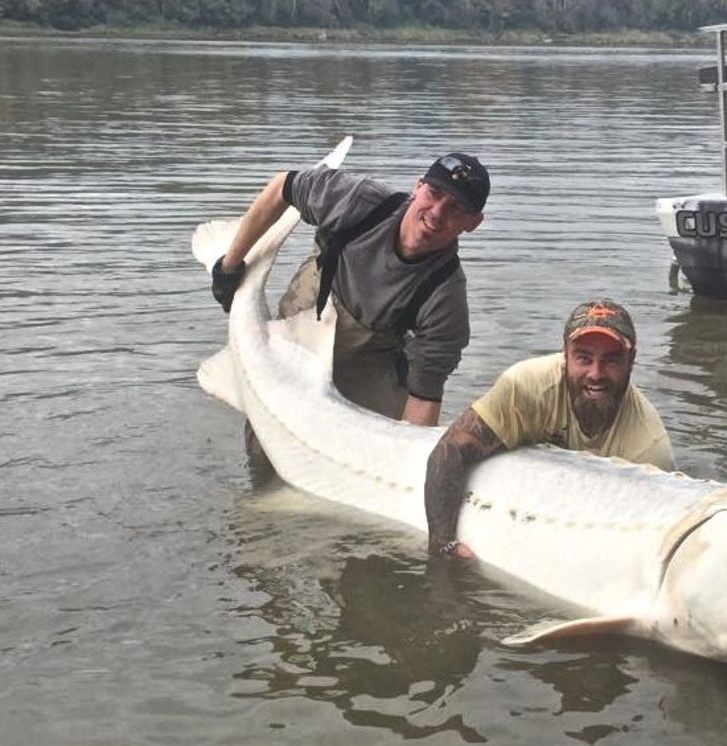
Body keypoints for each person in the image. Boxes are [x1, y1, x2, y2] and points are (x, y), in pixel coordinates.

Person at [210, 150, 490, 427]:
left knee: (382, 443)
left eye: (456, 208)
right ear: (417, 187)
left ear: (473, 224)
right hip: (308, 315)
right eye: (434, 193)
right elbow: (282, 186)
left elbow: (425, 397)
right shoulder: (360, 200)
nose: (437, 213)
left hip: (369, 356)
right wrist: (229, 266)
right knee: (270, 428)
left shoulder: (447, 300)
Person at [424, 299, 676, 559]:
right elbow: (449, 451)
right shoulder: (527, 387)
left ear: (631, 360)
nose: (595, 373)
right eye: (583, 358)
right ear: (565, 353)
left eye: (611, 360)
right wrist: (443, 545)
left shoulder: (649, 446)